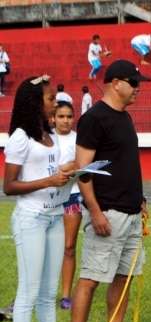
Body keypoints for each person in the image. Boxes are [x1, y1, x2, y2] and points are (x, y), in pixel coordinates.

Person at [69, 60, 151, 322]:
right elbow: (84, 170)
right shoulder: (94, 119)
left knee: (124, 277)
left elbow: (125, 163)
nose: (138, 89)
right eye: (133, 82)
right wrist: (95, 211)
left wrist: (139, 200)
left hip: (130, 212)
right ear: (115, 82)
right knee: (90, 278)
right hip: (107, 213)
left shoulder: (125, 118)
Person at [3, 75, 79, 322]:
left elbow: (48, 170)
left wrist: (66, 172)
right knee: (29, 291)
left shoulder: (48, 135)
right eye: (50, 98)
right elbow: (9, 185)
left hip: (54, 216)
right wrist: (49, 180)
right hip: (31, 219)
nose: (55, 102)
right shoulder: (21, 136)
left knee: (49, 292)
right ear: (35, 102)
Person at [53, 101, 81, 310]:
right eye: (61, 116)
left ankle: (65, 295)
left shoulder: (78, 139)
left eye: (69, 116)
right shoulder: (45, 138)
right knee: (43, 247)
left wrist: (68, 168)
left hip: (72, 197)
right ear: (53, 118)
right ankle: (36, 293)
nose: (65, 120)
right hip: (47, 198)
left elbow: (82, 162)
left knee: (69, 247)